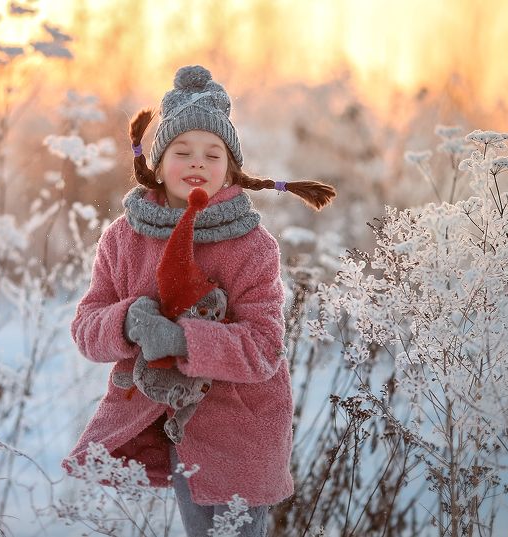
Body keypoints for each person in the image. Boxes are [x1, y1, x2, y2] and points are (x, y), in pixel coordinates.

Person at [64, 65, 335, 536]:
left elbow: (263, 347)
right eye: (181, 151)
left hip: (238, 429)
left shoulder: (251, 246)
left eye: (213, 154)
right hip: (165, 423)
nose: (197, 163)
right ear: (157, 162)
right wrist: (127, 321)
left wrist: (184, 339)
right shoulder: (124, 238)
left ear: (231, 169)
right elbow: (87, 327)